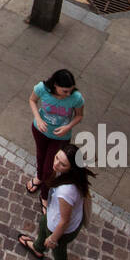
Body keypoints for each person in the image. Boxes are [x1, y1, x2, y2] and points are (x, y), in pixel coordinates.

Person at [17, 145, 95, 260]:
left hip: (60, 230)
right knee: (43, 222)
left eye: (62, 163)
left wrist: (53, 239)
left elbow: (64, 221)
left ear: (71, 168)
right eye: (57, 157)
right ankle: (38, 248)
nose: (56, 163)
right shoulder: (70, 176)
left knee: (58, 253)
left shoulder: (65, 191)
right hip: (53, 218)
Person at [24, 69, 84, 201]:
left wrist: (68, 127)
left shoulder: (76, 98)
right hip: (40, 132)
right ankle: (39, 178)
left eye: (71, 90)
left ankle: (45, 196)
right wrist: (38, 119)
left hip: (61, 138)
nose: (69, 94)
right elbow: (32, 100)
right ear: (55, 85)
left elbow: (79, 116)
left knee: (50, 169)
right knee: (40, 156)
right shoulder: (42, 88)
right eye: (65, 91)